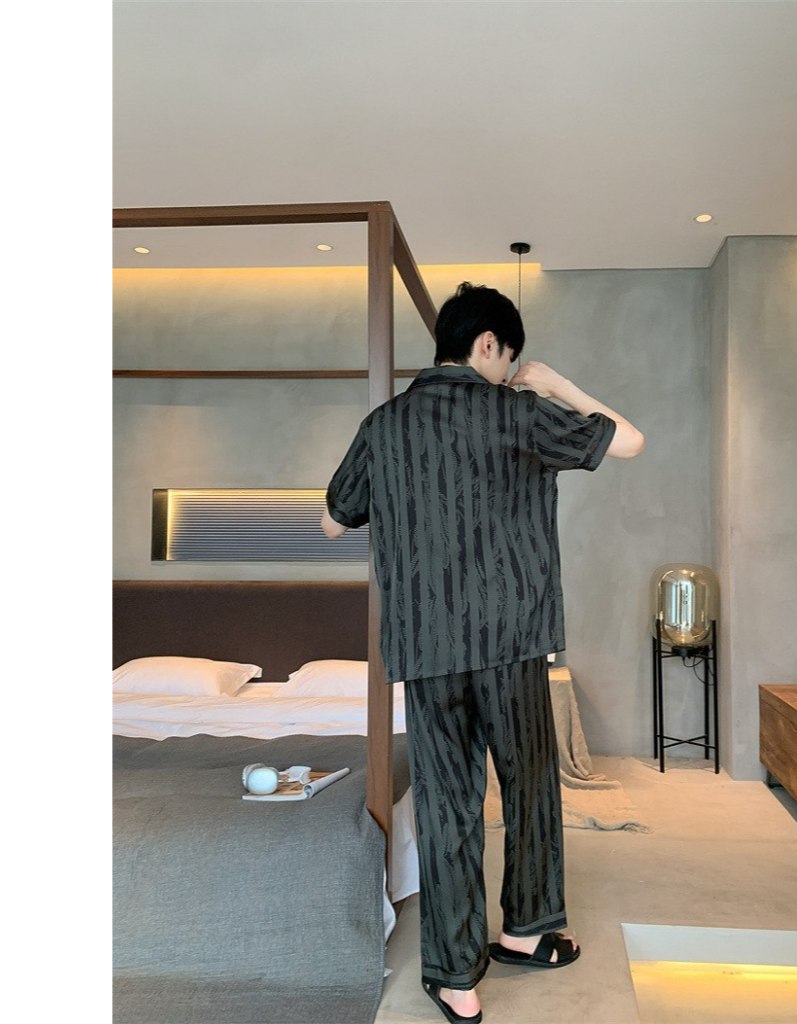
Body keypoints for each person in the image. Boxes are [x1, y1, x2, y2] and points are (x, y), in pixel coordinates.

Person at [321, 282, 644, 1024]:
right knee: (529, 787)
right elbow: (629, 440)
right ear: (489, 344)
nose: (511, 371)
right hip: (512, 641)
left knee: (448, 807)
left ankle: (456, 980)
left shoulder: (384, 424)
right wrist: (553, 384)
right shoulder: (518, 411)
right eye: (510, 358)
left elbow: (335, 521)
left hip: (427, 647)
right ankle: (525, 933)